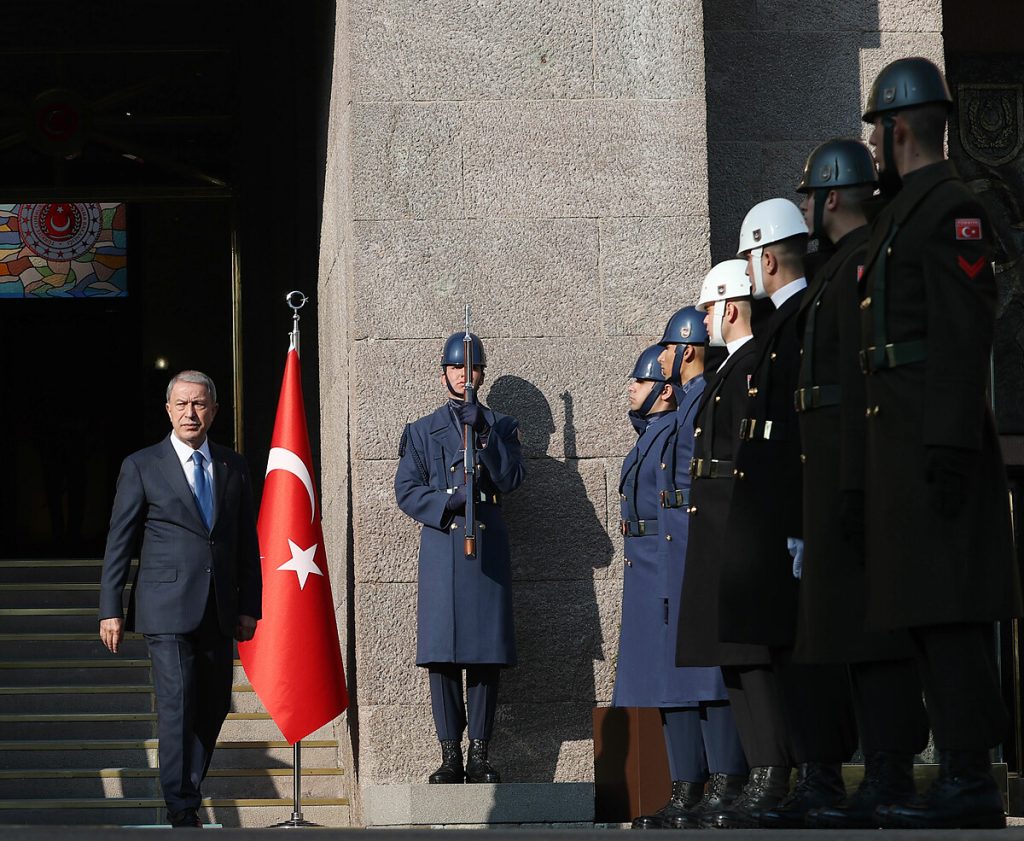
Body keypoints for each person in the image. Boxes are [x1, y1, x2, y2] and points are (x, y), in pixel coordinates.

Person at [859, 56, 1022, 830]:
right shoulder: (901, 215)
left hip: (935, 441)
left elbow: (963, 334)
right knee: (922, 610)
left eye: (878, 136)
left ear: (895, 130)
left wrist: (950, 446)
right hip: (903, 444)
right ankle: (949, 769)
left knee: (951, 612)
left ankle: (968, 775)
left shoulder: (951, 206)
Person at [791, 138, 930, 829]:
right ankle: (840, 772)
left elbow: (861, 382)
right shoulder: (834, 270)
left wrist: (854, 482)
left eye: (811, 194)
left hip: (861, 472)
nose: (807, 207)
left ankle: (890, 771)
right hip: (830, 476)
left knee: (877, 634)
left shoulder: (864, 266)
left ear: (833, 196)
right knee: (833, 631)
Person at [717, 198, 859, 829]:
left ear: (767, 256)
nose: (751, 269)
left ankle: (823, 776)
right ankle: (811, 776)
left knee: (810, 653)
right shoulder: (782, 322)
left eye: (751, 258)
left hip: (801, 514)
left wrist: (803, 519)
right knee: (789, 654)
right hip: (775, 517)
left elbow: (810, 428)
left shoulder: (804, 316)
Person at [99, 370, 262, 829]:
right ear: (168, 410)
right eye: (182, 404)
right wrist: (110, 606)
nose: (191, 413)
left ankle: (187, 787)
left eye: (200, 404)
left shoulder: (234, 466)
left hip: (219, 608)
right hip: (165, 607)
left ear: (213, 410)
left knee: (212, 705)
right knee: (178, 701)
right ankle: (181, 805)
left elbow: (245, 542)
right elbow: (119, 541)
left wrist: (251, 604)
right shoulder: (142, 465)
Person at [613, 339, 746, 830]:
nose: (633, 387)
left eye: (643, 381)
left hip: (675, 563)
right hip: (649, 566)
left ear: (665, 392)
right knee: (668, 686)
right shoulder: (652, 433)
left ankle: (724, 781)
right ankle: (686, 786)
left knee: (701, 680)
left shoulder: (680, 420)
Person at [675, 261, 783, 829]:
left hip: (738, 521)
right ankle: (758, 770)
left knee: (752, 658)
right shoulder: (730, 368)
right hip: (717, 520)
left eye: (710, 309)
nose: (706, 321)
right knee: (731, 659)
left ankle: (771, 769)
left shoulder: (750, 367)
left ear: (732, 307)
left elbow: (751, 456)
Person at [394, 332, 526, 785]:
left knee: (485, 656)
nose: (463, 376)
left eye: (470, 369)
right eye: (455, 369)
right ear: (444, 373)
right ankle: (450, 754)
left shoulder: (502, 425)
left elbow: (511, 480)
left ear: (481, 374)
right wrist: (447, 501)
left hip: (486, 545)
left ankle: (480, 754)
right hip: (444, 547)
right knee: (443, 656)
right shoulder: (419, 430)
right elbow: (407, 490)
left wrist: (486, 435)